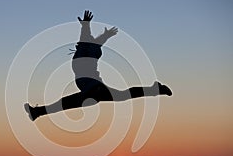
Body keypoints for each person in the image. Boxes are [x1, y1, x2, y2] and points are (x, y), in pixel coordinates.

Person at [25, 10, 172, 121]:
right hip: (94, 88)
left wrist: (86, 26)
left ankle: (37, 112)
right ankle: (155, 89)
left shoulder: (85, 51)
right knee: (122, 95)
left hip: (92, 87)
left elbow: (86, 40)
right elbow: (92, 41)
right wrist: (104, 35)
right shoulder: (91, 50)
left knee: (67, 103)